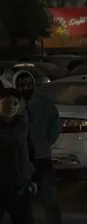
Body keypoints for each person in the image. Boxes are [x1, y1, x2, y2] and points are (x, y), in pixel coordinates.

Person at [14, 70, 62, 224]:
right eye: (22, 85)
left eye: (29, 84)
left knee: (49, 199)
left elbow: (55, 125)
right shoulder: (13, 104)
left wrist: (45, 143)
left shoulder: (44, 103)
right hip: (19, 161)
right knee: (21, 203)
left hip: (41, 159)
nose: (26, 88)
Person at [0, 88, 35, 224]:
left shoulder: (22, 125)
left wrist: (31, 178)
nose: (11, 107)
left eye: (15, 103)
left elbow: (29, 151)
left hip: (20, 186)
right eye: (7, 103)